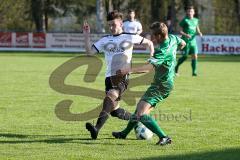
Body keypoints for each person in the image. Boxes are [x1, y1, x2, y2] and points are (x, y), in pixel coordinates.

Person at [83, 10, 154, 139]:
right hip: (108, 78)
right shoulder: (105, 40)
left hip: (122, 77)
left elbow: (149, 43)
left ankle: (96, 129)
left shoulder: (129, 36)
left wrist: (151, 57)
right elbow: (89, 53)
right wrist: (87, 35)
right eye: (109, 25)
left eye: (113, 24)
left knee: (110, 97)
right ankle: (136, 119)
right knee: (114, 110)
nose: (111, 27)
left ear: (121, 23)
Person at [112, 22, 186, 145]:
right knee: (139, 109)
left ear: (160, 36)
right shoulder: (172, 38)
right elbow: (182, 43)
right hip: (165, 82)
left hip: (161, 85)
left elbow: (148, 68)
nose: (152, 38)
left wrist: (127, 70)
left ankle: (164, 137)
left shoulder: (162, 50)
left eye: (153, 35)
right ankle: (124, 133)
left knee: (141, 113)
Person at [175, 5, 202, 76]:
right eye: (189, 11)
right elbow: (180, 31)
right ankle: (176, 67)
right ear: (187, 12)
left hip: (193, 41)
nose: (190, 12)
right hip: (186, 41)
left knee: (195, 56)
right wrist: (186, 35)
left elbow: (197, 28)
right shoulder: (185, 20)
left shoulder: (196, 20)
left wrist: (199, 32)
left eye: (191, 11)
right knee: (185, 56)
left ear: (194, 12)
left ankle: (194, 72)